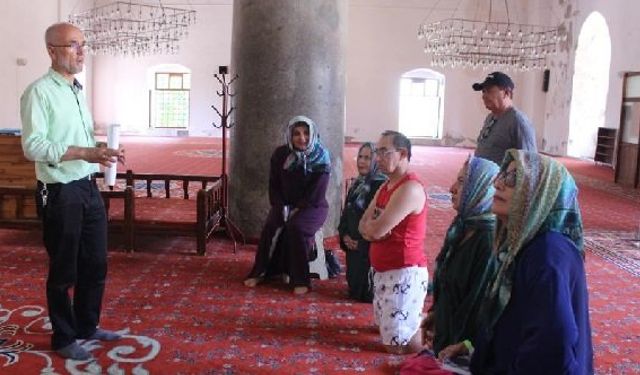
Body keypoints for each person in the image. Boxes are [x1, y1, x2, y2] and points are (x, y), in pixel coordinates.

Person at [20, 22, 124, 360]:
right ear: (51, 51)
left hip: (87, 186)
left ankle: (87, 326)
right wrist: (85, 152)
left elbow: (77, 141)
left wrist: (99, 151)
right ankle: (64, 337)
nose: (81, 51)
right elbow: (33, 146)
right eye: (73, 45)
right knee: (64, 268)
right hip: (60, 192)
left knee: (95, 263)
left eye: (83, 44)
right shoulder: (39, 92)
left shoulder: (76, 90)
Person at [464, 150, 593, 374]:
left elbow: (551, 350)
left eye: (514, 179)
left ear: (540, 193)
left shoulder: (547, 255)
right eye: (502, 175)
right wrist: (476, 349)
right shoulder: (523, 242)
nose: (498, 184)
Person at [359, 130, 429, 354]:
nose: (376, 158)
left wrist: (376, 230)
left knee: (396, 347)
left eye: (383, 152)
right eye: (376, 152)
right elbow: (363, 226)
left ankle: (430, 335)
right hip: (382, 271)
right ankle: (419, 319)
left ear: (402, 154)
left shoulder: (410, 188)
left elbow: (376, 229)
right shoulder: (386, 185)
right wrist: (375, 231)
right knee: (383, 331)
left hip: (403, 273)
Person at [244, 116, 331, 295]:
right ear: (289, 136)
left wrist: (297, 209)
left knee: (296, 227)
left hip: (313, 207)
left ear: (313, 134)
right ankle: (262, 272)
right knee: (271, 226)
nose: (302, 138)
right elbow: (274, 184)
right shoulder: (281, 154)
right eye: (296, 134)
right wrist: (281, 206)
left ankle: (301, 279)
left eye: (306, 133)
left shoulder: (321, 156)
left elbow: (317, 192)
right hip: (285, 204)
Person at [423, 156, 499, 356]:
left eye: (463, 181)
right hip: (448, 339)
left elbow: (478, 307)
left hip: (465, 348)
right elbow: (448, 283)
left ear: (482, 188)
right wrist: (436, 313)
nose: (452, 188)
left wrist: (464, 345)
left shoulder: (488, 240)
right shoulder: (461, 225)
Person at [338, 142, 387, 302]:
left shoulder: (382, 187)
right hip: (353, 247)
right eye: (360, 157)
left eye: (368, 157)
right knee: (355, 289)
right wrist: (344, 235)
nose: (362, 161)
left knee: (367, 293)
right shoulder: (357, 183)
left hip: (368, 249)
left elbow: (382, 227)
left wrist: (362, 244)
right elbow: (345, 214)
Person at [472, 71, 537, 164]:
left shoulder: (518, 121)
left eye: (489, 91)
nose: (484, 96)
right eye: (483, 91)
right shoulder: (490, 118)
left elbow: (529, 163)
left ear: (507, 93)